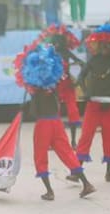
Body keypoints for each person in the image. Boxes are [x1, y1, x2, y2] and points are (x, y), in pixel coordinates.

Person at [16, 43, 96, 201]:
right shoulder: (53, 90)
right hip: (57, 122)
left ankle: (49, 191)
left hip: (43, 125)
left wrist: (25, 107)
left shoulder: (36, 92)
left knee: (40, 156)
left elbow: (35, 112)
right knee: (66, 152)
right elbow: (57, 107)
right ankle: (86, 184)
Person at [75, 23, 110, 183]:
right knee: (86, 136)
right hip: (93, 105)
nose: (105, 47)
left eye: (109, 44)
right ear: (99, 45)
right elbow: (80, 77)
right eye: (103, 44)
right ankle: (76, 171)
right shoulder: (94, 60)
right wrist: (86, 92)